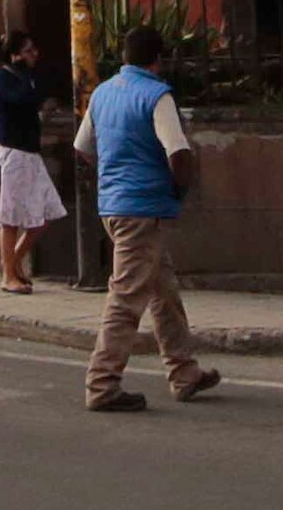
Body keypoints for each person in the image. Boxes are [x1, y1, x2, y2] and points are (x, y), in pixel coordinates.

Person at [80, 24, 221, 413]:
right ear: (158, 59)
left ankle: (184, 371)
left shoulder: (102, 93)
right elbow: (178, 152)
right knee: (127, 298)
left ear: (124, 56)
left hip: (114, 205)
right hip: (145, 208)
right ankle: (102, 383)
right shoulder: (157, 96)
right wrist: (178, 188)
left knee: (163, 291)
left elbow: (83, 147)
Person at [0, 27, 63, 294]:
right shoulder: (1, 78)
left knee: (46, 213)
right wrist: (37, 91)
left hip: (30, 153)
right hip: (11, 154)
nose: (34, 55)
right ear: (15, 55)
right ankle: (8, 275)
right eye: (28, 51)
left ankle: (13, 263)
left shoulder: (26, 77)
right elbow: (24, 100)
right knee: (10, 218)